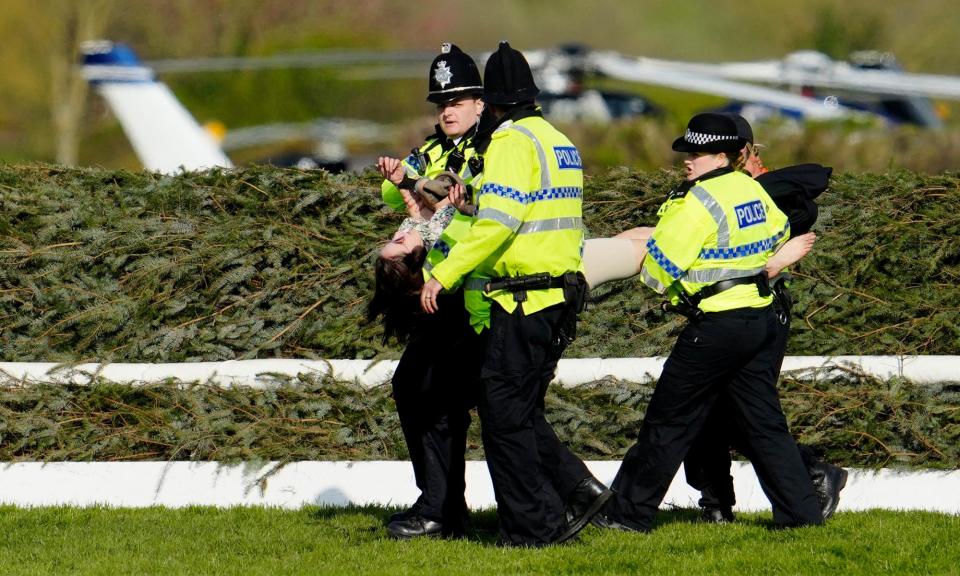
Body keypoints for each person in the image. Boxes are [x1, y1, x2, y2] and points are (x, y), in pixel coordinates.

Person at [594, 112, 824, 532]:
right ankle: (801, 517)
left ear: (721, 157)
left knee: (668, 421)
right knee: (764, 425)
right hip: (759, 316)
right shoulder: (748, 189)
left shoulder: (698, 201)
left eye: (697, 153)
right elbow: (776, 234)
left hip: (717, 323)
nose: (688, 160)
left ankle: (627, 515)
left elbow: (659, 270)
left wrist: (669, 277)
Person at [419, 41, 610, 547]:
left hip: (523, 296)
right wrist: (472, 201)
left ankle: (532, 528)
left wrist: (445, 274)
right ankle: (560, 507)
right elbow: (528, 207)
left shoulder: (507, 142)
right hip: (559, 292)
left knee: (504, 419)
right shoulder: (556, 139)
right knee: (518, 413)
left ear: (494, 103)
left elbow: (500, 225)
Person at [683, 114, 847, 523]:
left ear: (734, 154)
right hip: (735, 310)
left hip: (758, 310)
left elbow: (764, 261)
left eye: (703, 152)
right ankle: (718, 503)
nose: (692, 161)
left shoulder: (763, 195)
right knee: (711, 408)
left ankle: (810, 472)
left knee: (742, 411)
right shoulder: (728, 190)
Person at [368, 43, 486, 540]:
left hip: (471, 290)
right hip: (435, 291)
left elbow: (479, 211)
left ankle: (442, 508)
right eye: (441, 103)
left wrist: (432, 198)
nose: (448, 110)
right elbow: (395, 192)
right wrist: (398, 178)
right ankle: (441, 505)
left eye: (457, 101)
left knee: (443, 397)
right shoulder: (433, 147)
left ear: (481, 102)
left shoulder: (492, 147)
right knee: (417, 390)